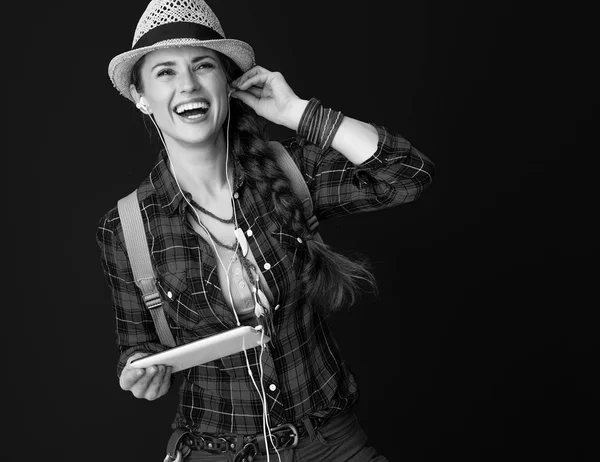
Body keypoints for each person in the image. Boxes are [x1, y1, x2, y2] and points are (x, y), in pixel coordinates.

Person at [97, 0, 435, 460]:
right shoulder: (127, 227)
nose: (189, 84)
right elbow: (136, 347)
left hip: (327, 443)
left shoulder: (290, 173)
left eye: (203, 66)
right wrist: (140, 372)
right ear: (141, 96)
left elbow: (407, 175)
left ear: (227, 83)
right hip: (214, 450)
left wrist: (298, 112)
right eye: (165, 72)